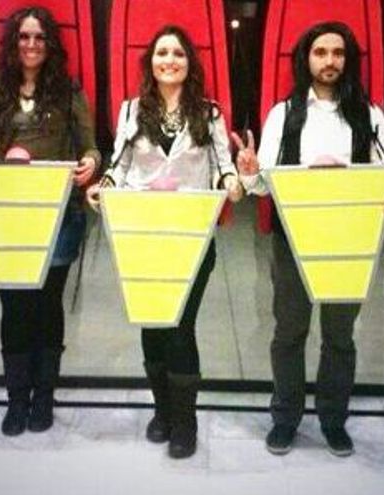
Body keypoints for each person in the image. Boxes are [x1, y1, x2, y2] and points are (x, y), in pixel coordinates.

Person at [231, 21, 384, 457]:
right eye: (320, 52)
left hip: (349, 242)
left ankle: (333, 421)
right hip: (293, 240)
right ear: (306, 59)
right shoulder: (284, 113)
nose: (329, 61)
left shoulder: (369, 114)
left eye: (337, 53)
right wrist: (249, 172)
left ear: (348, 60)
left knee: (339, 336)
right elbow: (263, 185)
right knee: (289, 332)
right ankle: (285, 418)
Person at [0, 6, 100, 436]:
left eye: (39, 37)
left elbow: (90, 146)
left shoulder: (68, 90)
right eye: (24, 37)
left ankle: (43, 398)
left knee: (48, 306)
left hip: (58, 214)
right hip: (7, 214)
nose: (31, 44)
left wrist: (90, 161)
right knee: (14, 306)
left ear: (50, 44)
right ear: (13, 42)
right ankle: (17, 400)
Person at [86, 25, 242, 459]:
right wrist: (104, 186)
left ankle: (185, 421)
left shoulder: (209, 112)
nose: (169, 60)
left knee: (180, 328)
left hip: (192, 236)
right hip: (142, 234)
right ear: (150, 62)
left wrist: (233, 182)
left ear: (189, 63)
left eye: (177, 53)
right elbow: (119, 163)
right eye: (161, 53)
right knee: (153, 326)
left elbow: (222, 167)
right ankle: (162, 412)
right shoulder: (132, 110)